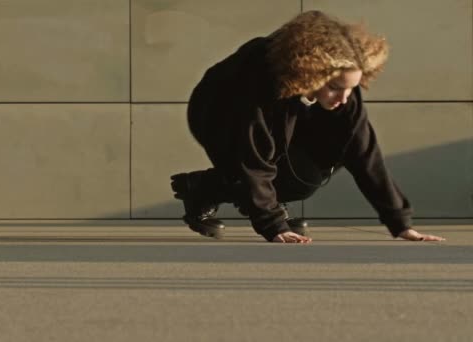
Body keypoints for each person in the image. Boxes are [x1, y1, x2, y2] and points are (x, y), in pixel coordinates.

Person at [170, 10, 445, 243]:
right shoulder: (258, 77)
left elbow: (364, 153)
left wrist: (400, 223)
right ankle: (204, 190)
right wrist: (273, 225)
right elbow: (251, 156)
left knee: (307, 178)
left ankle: (238, 193)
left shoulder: (342, 90)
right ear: (310, 73)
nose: (344, 99)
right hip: (218, 114)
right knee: (258, 166)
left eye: (352, 88)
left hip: (289, 111)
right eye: (336, 88)